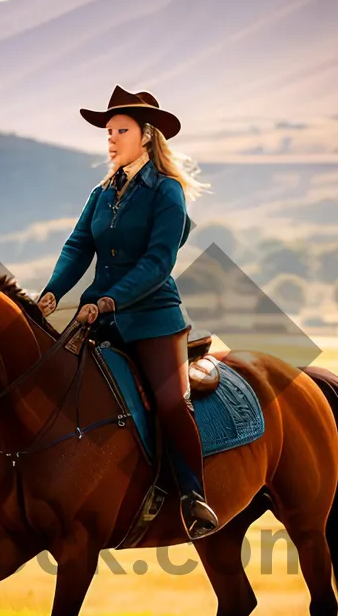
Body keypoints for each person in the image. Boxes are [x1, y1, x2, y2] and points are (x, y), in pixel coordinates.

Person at [36, 85, 218, 540]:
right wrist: (53, 293)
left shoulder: (168, 192)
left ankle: (193, 497)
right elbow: (78, 246)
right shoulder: (101, 192)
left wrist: (110, 299)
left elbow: (159, 263)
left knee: (172, 403)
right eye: (109, 132)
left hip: (154, 318)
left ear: (148, 135)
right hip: (99, 316)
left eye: (121, 130)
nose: (111, 139)